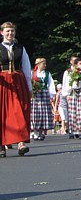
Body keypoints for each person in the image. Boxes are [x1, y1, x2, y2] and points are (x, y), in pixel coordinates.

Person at [0, 21, 32, 157]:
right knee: (2, 113)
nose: (10, 33)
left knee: (20, 111)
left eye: (12, 31)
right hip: (3, 84)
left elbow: (26, 67)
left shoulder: (20, 48)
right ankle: (1, 145)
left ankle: (21, 143)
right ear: (2, 33)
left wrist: (29, 87)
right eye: (7, 31)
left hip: (18, 82)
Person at [30, 58, 56, 140]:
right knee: (35, 114)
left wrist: (52, 95)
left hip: (44, 94)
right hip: (35, 95)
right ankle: (34, 132)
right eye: (43, 64)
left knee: (43, 113)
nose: (45, 65)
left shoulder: (47, 74)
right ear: (38, 64)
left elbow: (50, 84)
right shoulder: (32, 73)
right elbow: (29, 82)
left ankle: (41, 132)